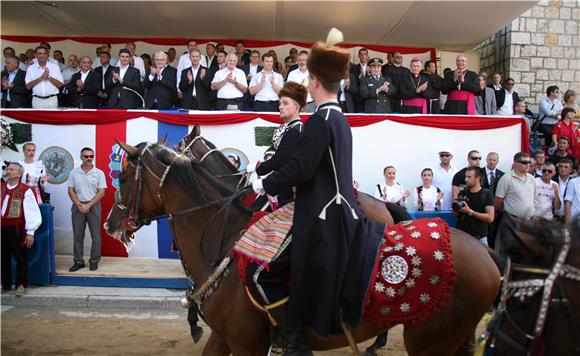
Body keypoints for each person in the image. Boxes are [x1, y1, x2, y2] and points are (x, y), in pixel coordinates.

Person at [251, 29, 384, 351]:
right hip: (337, 209)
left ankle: (294, 338)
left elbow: (300, 168)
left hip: (320, 216)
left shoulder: (319, 121)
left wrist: (261, 182)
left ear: (313, 83)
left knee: (266, 270)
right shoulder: (338, 118)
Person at [1, 162, 42, 296]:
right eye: (8, 169)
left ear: (19, 174)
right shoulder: (1, 187)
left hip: (16, 228)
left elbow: (32, 212)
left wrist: (30, 232)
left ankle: (21, 284)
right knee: (3, 257)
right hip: (1, 227)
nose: (9, 171)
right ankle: (5, 284)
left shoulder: (25, 190)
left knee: (20, 257)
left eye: (12, 169)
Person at [67, 148, 106, 272]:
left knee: (96, 236)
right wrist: (79, 205)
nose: (89, 158)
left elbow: (101, 192)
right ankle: (78, 261)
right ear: (81, 157)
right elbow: (70, 190)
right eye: (86, 156)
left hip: (93, 205)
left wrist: (88, 205)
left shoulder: (99, 173)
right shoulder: (74, 172)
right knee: (78, 235)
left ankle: (94, 260)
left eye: (91, 156)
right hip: (78, 206)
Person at [495, 152, 535, 255]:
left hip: (528, 221)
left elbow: (532, 198)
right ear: (516, 163)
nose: (528, 165)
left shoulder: (531, 178)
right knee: (509, 250)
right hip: (512, 220)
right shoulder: (506, 178)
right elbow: (498, 201)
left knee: (526, 251)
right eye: (524, 162)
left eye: (529, 162)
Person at [454, 166, 494, 246]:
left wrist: (470, 212)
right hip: (462, 235)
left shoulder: (486, 194)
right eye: (466, 177)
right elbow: (456, 215)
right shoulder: (463, 192)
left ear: (478, 178)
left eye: (469, 177)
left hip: (479, 237)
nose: (466, 179)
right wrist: (456, 209)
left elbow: (490, 218)